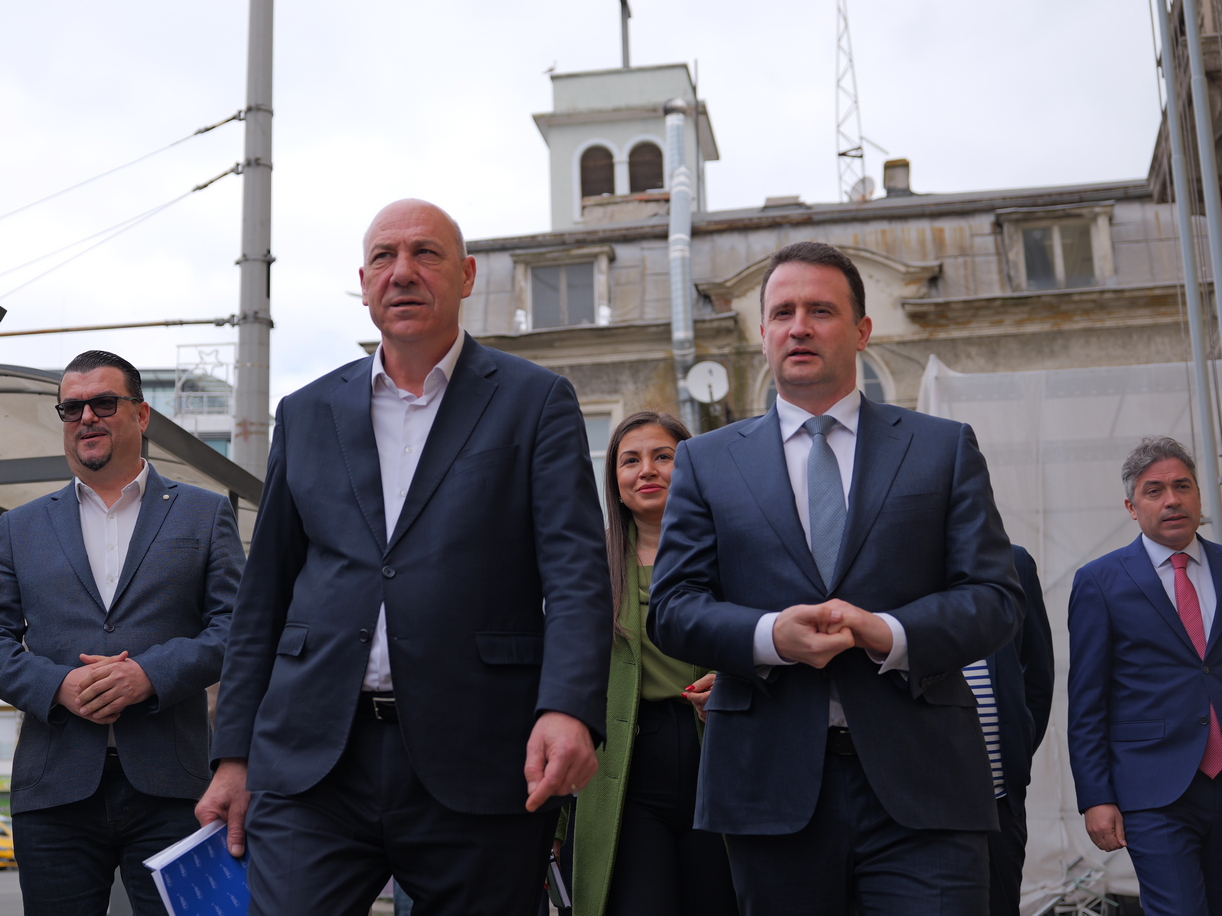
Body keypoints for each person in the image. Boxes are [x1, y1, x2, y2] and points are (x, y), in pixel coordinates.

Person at [197, 199, 612, 916]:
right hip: (312, 762)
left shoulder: (535, 401)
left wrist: (569, 708)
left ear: (466, 275)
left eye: (426, 253)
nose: (403, 272)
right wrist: (233, 754)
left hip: (480, 756)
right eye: (384, 258)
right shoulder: (306, 411)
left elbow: (575, 576)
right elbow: (263, 595)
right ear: (364, 283)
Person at [648, 240, 1023, 915]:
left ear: (862, 329)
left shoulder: (941, 447)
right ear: (762, 332)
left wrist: (889, 632)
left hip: (925, 786)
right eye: (783, 312)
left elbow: (995, 598)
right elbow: (673, 607)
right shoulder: (706, 462)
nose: (799, 327)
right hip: (768, 787)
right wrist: (769, 636)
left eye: (820, 310)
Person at [0, 350, 243, 915]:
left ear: (142, 414)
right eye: (72, 408)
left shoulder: (205, 514)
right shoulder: (18, 527)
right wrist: (57, 686)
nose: (86, 417)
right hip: (54, 791)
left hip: (175, 790)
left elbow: (239, 628)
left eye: (104, 403)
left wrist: (149, 675)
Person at [562, 410, 737, 916]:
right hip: (625, 769)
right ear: (615, 483)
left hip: (720, 756)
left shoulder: (737, 552)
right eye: (630, 460)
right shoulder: (587, 566)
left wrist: (737, 680)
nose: (647, 471)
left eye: (664, 457)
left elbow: (771, 643)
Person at [1067, 436, 1222, 916]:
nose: (1172, 499)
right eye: (1155, 491)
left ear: (1199, 495)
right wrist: (1096, 797)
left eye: (1183, 486)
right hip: (1154, 791)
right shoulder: (1100, 581)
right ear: (1132, 508)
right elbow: (1087, 701)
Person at [972, 544, 1054, 916]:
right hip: (914, 803)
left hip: (999, 800)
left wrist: (1014, 750)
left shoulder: (1013, 561)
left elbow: (1038, 677)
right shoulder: (892, 558)